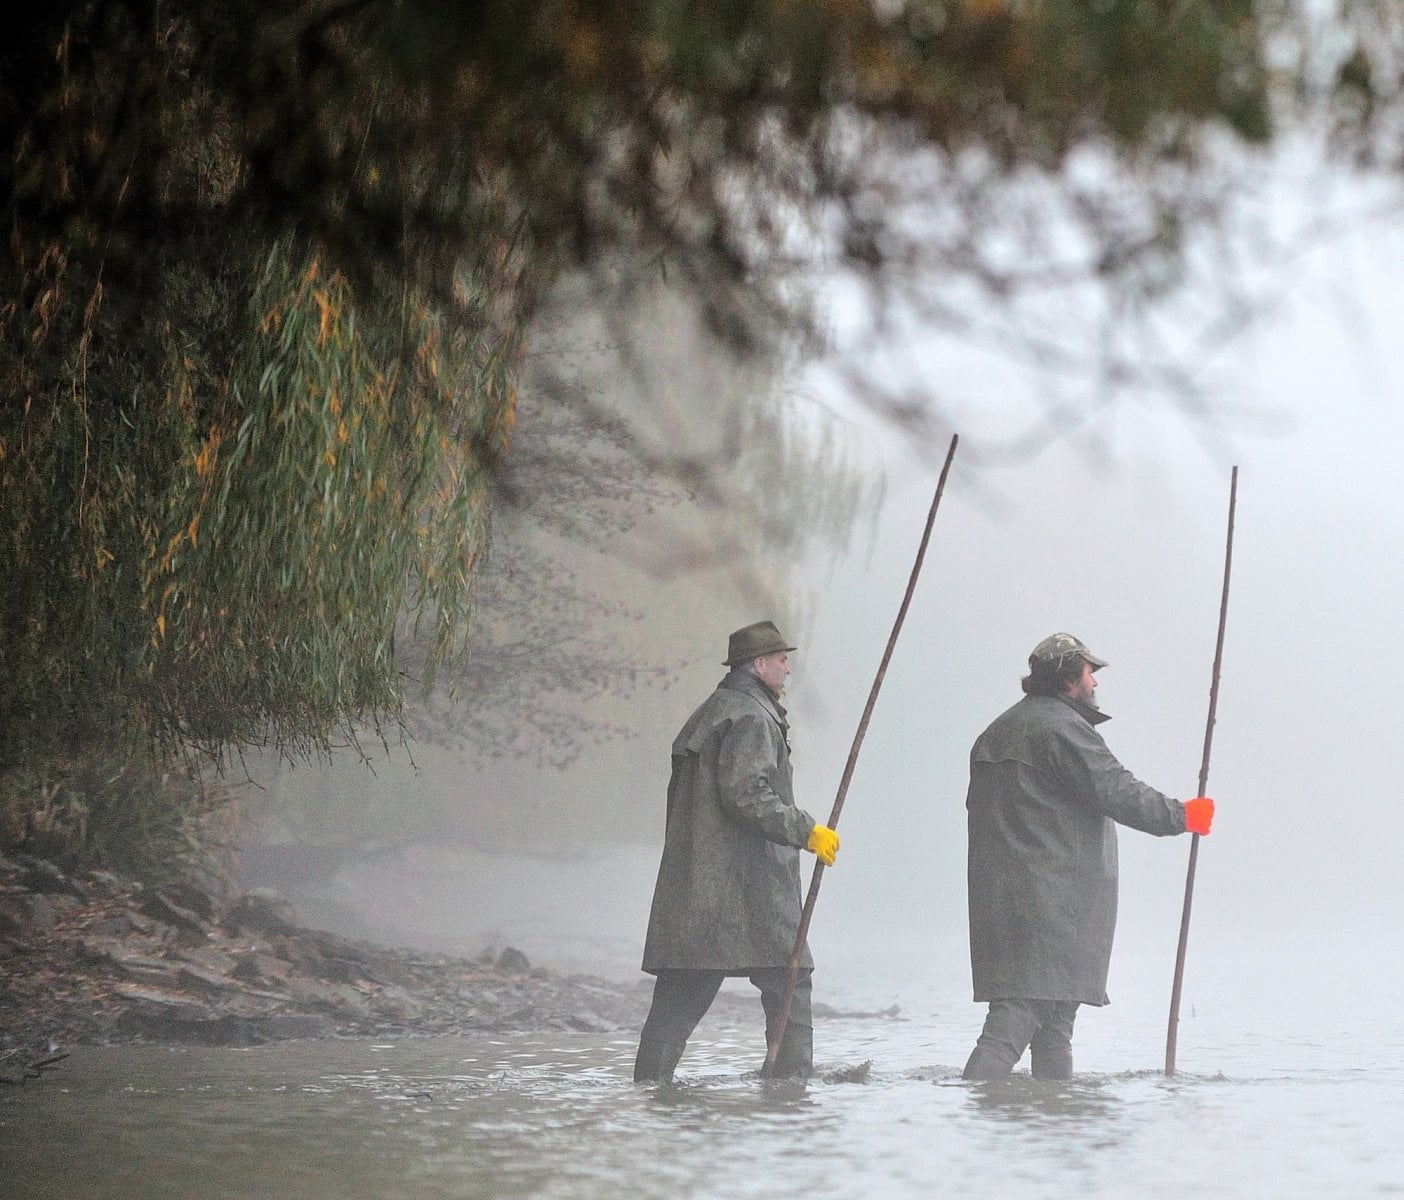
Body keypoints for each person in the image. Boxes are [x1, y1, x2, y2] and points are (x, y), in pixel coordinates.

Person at [962, 632, 1216, 1081]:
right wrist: (1182, 815)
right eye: (1088, 673)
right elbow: (1116, 790)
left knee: (1054, 1024)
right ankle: (976, 1115)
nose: (1095, 683)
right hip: (1050, 905)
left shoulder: (996, 732)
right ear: (1067, 680)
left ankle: (1054, 1123)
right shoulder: (1062, 730)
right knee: (1018, 1018)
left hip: (1003, 901)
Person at [633, 620, 840, 1083]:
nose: (788, 669)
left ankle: (646, 1094)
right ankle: (791, 1091)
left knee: (680, 996)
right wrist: (807, 832)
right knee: (791, 979)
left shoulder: (716, 710)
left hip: (701, 888)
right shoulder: (751, 716)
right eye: (782, 660)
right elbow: (748, 795)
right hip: (746, 890)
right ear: (759, 664)